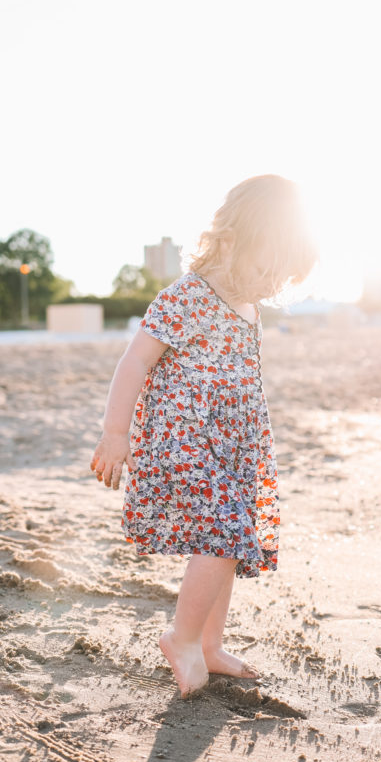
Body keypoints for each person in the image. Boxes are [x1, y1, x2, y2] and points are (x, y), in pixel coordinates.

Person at [90, 174, 317, 697]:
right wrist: (115, 433)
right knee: (224, 530)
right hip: (182, 439)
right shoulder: (188, 295)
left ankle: (210, 645)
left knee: (232, 540)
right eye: (266, 269)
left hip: (232, 447)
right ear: (231, 241)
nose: (269, 284)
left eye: (281, 279)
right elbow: (134, 362)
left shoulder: (250, 307)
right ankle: (183, 638)